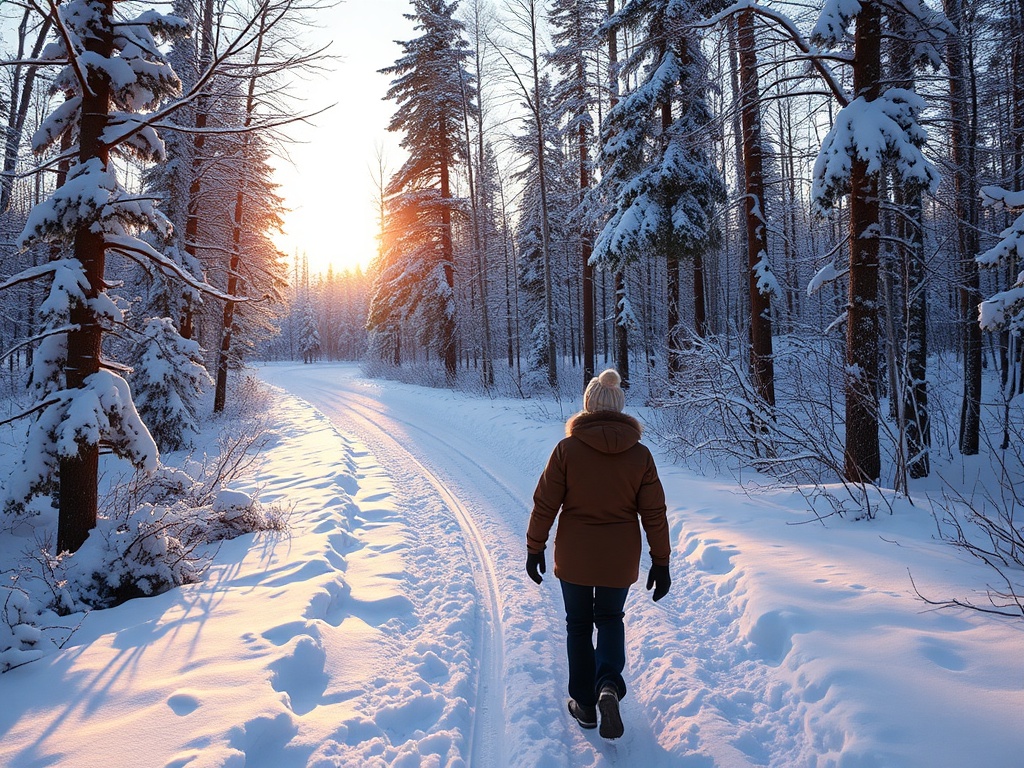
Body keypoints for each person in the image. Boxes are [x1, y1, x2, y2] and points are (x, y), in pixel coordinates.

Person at [526, 368, 671, 740]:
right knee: (609, 618)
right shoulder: (640, 455)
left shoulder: (567, 450)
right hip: (618, 558)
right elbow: (654, 512)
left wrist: (535, 547)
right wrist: (661, 561)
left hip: (575, 556)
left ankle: (585, 706)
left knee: (578, 625)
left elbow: (545, 504)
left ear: (587, 406)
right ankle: (608, 684)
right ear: (621, 410)